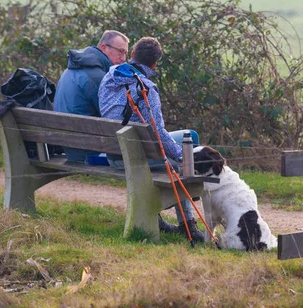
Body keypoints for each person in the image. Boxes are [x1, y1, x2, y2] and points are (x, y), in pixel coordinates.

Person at [98, 37, 204, 242]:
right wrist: (185, 157)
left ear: (132, 55)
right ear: (154, 64)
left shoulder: (109, 76)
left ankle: (167, 220)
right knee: (186, 147)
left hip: (113, 152)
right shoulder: (146, 88)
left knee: (186, 139)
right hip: (134, 156)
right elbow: (158, 133)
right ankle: (188, 225)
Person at [54, 30, 130, 163]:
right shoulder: (99, 78)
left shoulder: (72, 68)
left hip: (67, 146)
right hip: (87, 151)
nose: (123, 59)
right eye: (120, 51)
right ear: (104, 48)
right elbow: (114, 117)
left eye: (126, 53)